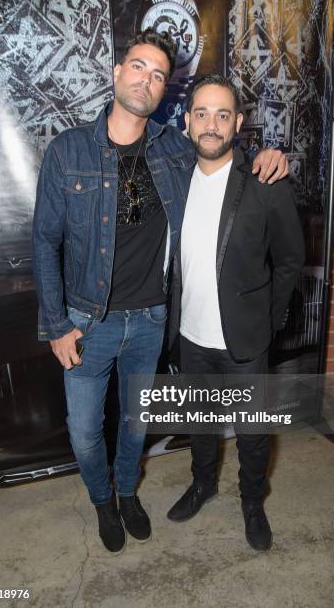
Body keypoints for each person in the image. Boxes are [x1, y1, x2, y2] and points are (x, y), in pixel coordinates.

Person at [32, 29, 289, 555]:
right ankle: (105, 500)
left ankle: (144, 495)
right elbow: (44, 242)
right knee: (85, 433)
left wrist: (273, 155)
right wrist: (56, 324)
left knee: (140, 427)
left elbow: (225, 154)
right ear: (116, 72)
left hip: (152, 323)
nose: (146, 79)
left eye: (157, 74)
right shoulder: (72, 149)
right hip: (92, 323)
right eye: (137, 67)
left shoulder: (173, 151)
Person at [166, 75, 305, 551]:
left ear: (238, 123)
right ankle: (202, 484)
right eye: (201, 114)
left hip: (245, 340)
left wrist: (268, 320)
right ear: (186, 122)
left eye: (222, 115)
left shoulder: (265, 181)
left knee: (251, 434)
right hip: (189, 336)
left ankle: (252, 500)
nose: (211, 124)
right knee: (201, 426)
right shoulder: (173, 177)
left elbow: (289, 259)